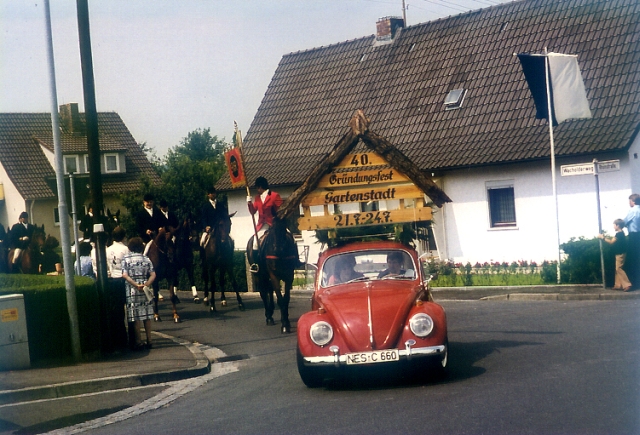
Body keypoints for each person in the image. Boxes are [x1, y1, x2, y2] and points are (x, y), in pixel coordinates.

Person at [121, 237, 156, 350]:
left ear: (130, 247)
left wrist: (136, 284)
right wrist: (146, 284)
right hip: (145, 289)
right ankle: (149, 340)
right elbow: (153, 274)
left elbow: (125, 275)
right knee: (147, 315)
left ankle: (138, 341)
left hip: (132, 289)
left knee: (135, 316)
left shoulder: (126, 259)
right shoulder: (146, 259)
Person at [106, 226, 130, 349]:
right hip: (124, 280)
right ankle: (130, 339)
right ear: (123, 236)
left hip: (112, 281)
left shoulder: (108, 249)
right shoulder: (125, 249)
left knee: (118, 312)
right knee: (129, 310)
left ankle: (119, 339)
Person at [598, 219, 632, 291]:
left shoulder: (619, 234)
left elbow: (611, 242)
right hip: (620, 253)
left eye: (614, 225)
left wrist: (602, 238)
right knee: (617, 268)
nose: (613, 227)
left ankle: (627, 284)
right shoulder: (621, 233)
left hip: (620, 253)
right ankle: (618, 285)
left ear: (618, 225)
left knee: (618, 268)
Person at [624, 193, 640, 289]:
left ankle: (634, 283)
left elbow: (624, 222)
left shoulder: (632, 211)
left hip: (633, 236)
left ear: (632, 201)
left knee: (632, 259)